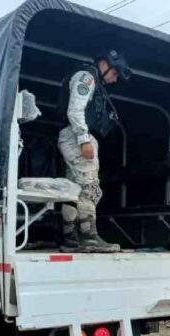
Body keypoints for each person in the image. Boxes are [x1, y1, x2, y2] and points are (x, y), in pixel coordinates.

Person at [58, 50, 130, 253]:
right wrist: (83, 139)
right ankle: (89, 236)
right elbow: (75, 110)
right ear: (105, 64)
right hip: (77, 135)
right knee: (89, 185)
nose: (114, 79)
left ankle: (70, 237)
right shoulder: (87, 76)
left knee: (73, 188)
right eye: (114, 73)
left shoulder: (89, 78)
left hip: (72, 136)